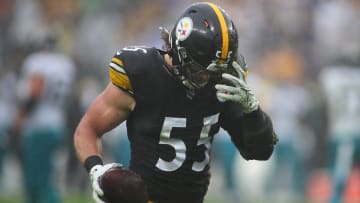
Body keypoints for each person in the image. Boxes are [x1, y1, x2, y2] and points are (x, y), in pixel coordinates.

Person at [74, 2, 278, 203]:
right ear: (180, 52)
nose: (208, 78)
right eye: (201, 71)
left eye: (215, 71)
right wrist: (96, 170)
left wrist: (253, 112)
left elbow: (259, 151)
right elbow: (87, 130)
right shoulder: (145, 74)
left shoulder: (220, 83)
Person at [14, 36, 75, 203]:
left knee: (36, 182)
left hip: (39, 126)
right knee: (45, 177)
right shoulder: (65, 64)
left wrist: (20, 116)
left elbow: (36, 89)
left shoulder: (37, 62)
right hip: (57, 123)